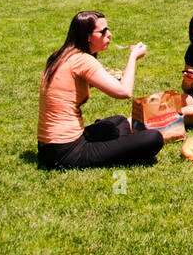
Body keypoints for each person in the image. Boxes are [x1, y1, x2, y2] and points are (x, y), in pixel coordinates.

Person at [38, 11, 164, 169]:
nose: (109, 34)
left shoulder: (61, 56)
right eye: (103, 32)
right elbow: (124, 92)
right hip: (66, 151)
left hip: (47, 147)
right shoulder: (83, 60)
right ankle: (119, 150)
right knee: (153, 138)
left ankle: (116, 147)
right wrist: (133, 57)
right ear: (88, 36)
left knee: (119, 122)